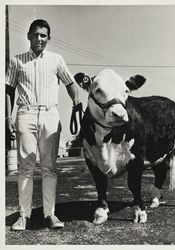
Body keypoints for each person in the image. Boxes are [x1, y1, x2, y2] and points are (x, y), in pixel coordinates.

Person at [6, 19, 80, 230]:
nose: (39, 39)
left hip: (50, 115)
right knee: (26, 167)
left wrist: (76, 101)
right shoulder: (16, 61)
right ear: (28, 36)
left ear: (48, 38)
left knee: (49, 168)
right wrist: (8, 118)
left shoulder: (56, 59)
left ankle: (50, 214)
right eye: (36, 34)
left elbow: (70, 83)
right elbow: (9, 90)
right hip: (25, 114)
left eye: (43, 35)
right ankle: (23, 216)